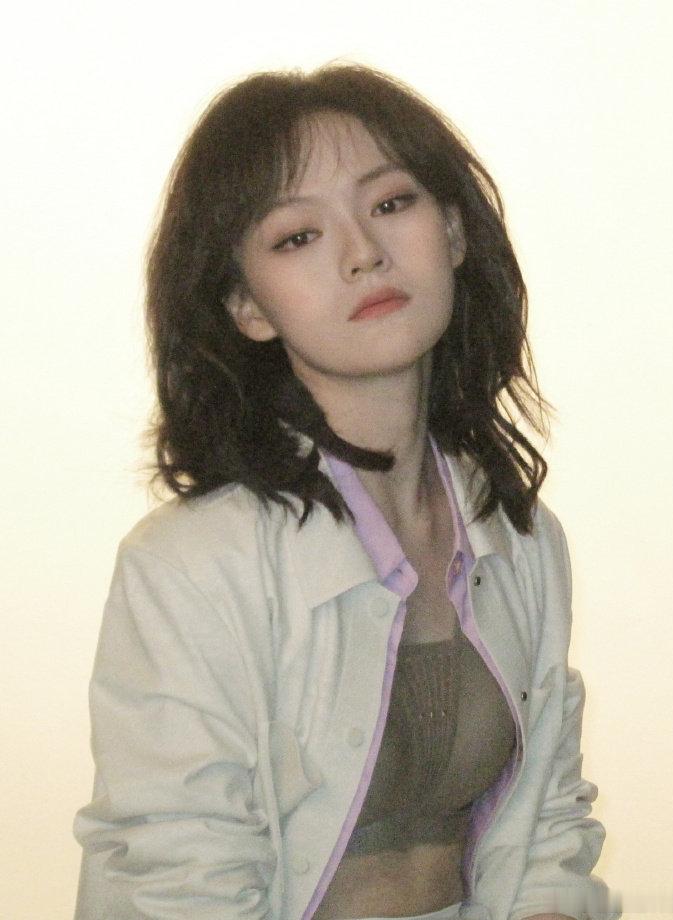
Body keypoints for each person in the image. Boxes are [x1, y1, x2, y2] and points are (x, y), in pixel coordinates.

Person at [73, 62, 619, 920]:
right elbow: (176, 880)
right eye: (298, 237)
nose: (363, 252)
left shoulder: (519, 534)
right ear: (248, 307)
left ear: (453, 231)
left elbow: (548, 823)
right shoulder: (190, 563)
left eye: (391, 203)